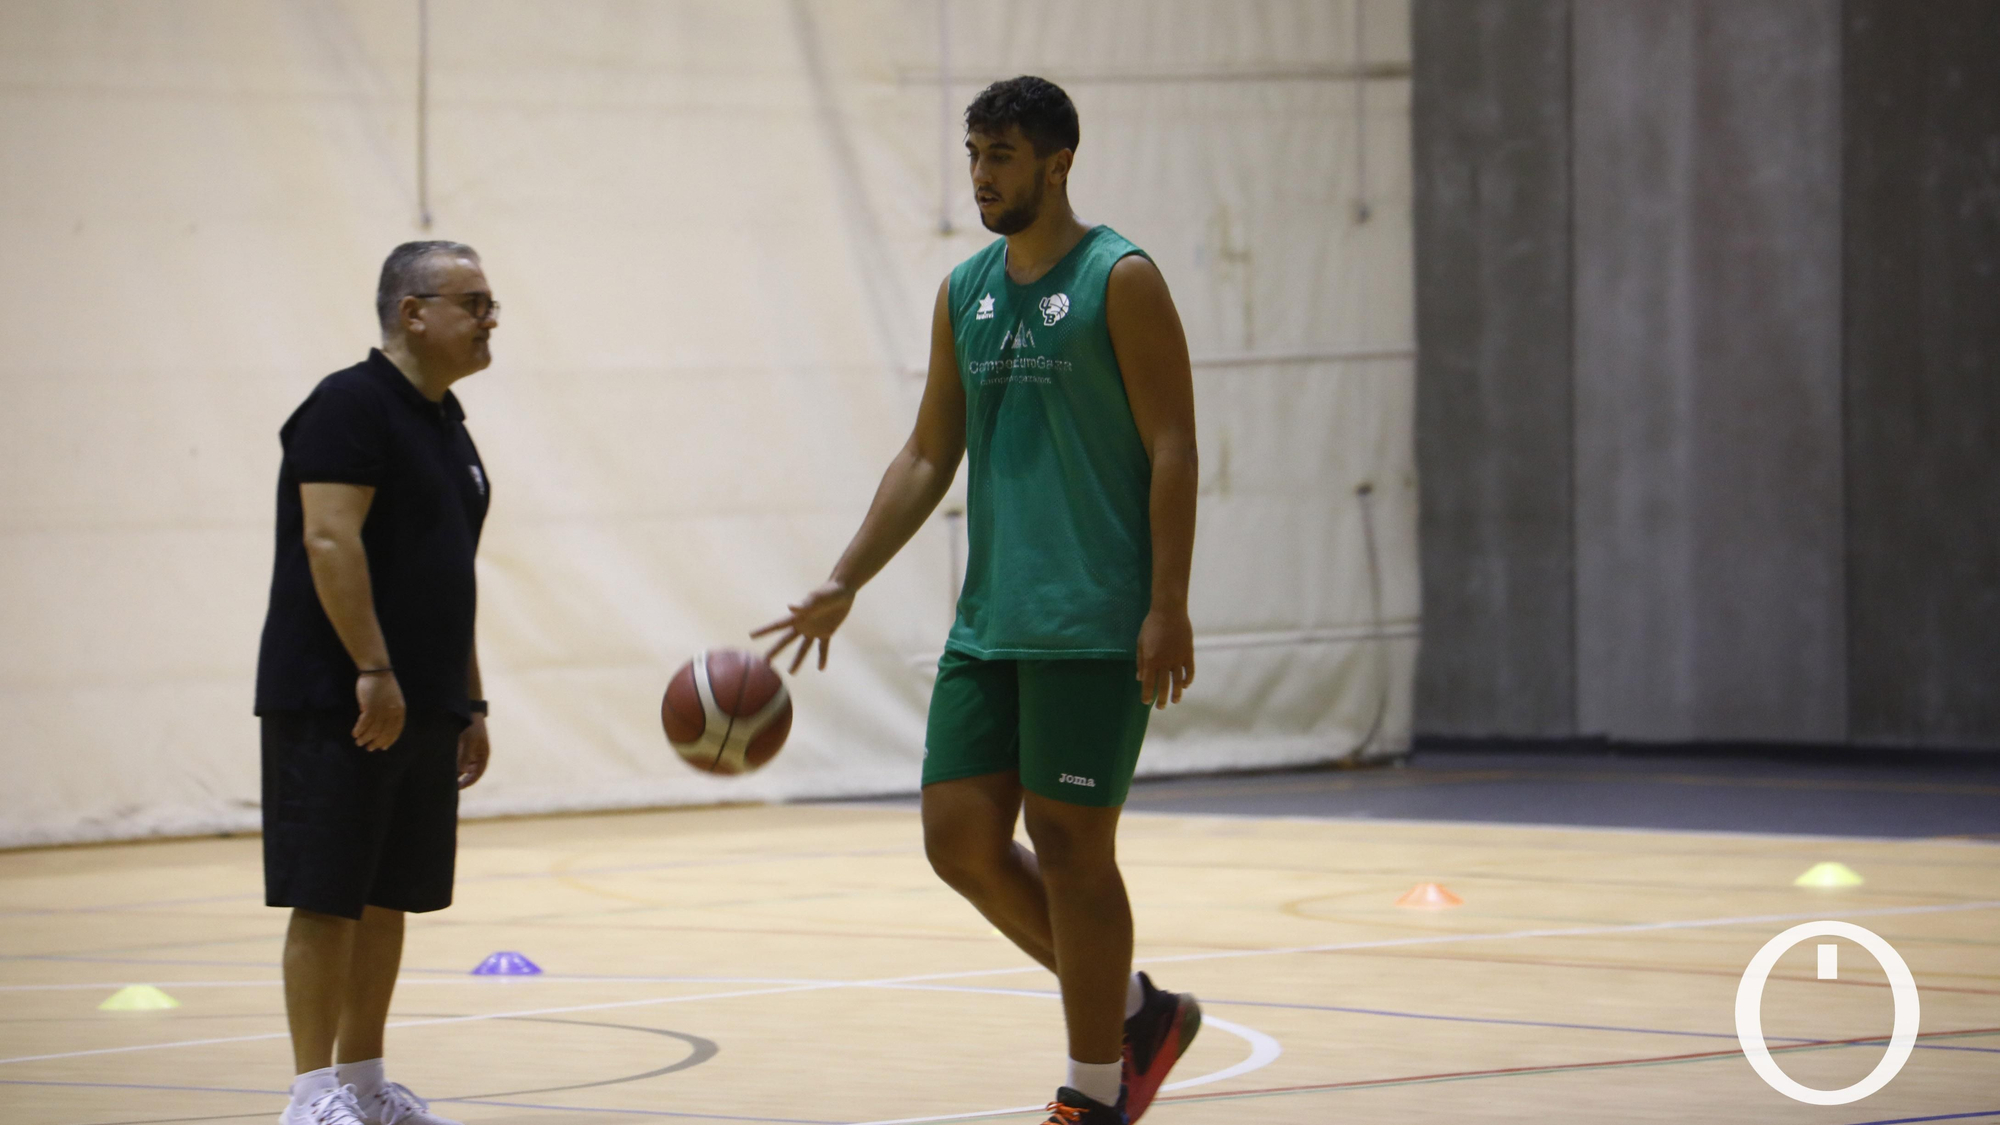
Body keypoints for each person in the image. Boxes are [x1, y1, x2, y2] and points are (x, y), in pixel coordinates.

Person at [758, 77, 1201, 1125]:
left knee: (1068, 845)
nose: (981, 176)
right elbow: (925, 452)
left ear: (1056, 164)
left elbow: (1173, 444)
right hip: (990, 618)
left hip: (1094, 615)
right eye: (973, 154)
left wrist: (1166, 603)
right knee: (956, 837)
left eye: (1001, 155)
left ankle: (1093, 1090)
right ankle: (1135, 1011)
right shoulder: (964, 289)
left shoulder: (1119, 277)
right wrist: (842, 578)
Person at [253, 241, 498, 1125]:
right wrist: (372, 669)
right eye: (471, 302)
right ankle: (309, 1095)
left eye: (488, 303)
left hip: (423, 699)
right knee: (327, 892)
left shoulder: (448, 424)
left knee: (389, 891)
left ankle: (360, 1082)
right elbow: (329, 539)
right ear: (412, 311)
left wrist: (468, 700)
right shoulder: (348, 405)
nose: (488, 319)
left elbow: (451, 574)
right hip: (338, 697)